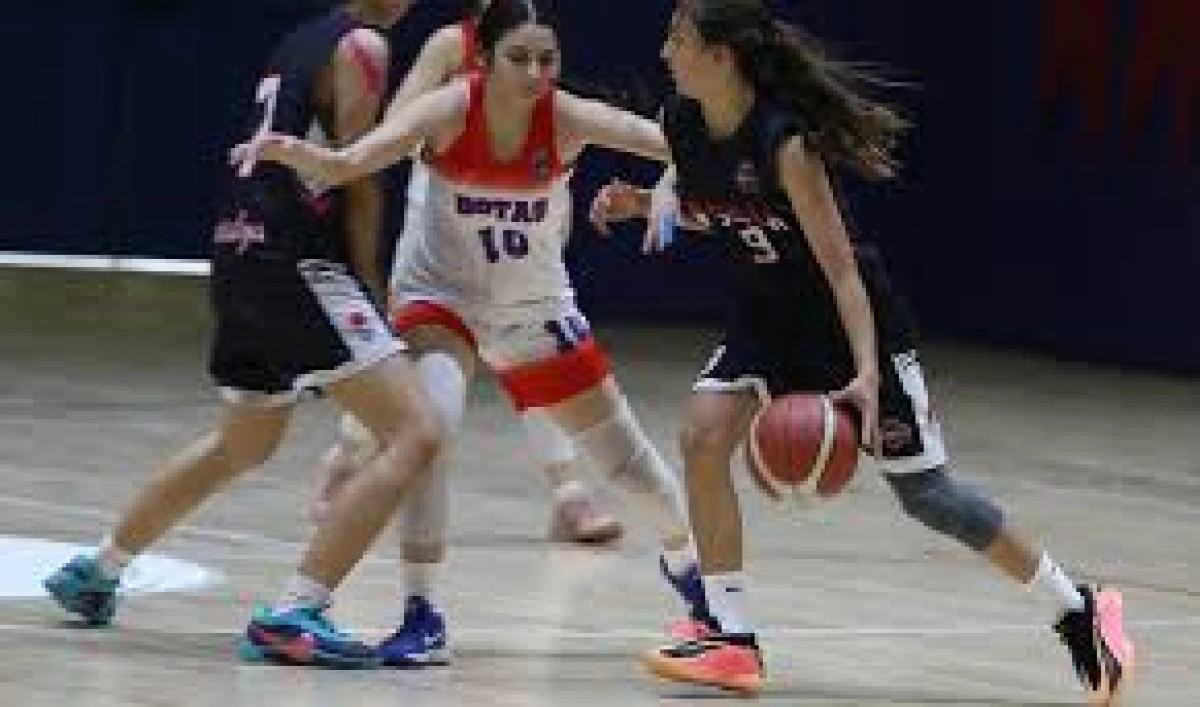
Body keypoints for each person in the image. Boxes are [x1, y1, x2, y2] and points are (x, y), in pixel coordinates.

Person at [589, 0, 1135, 701]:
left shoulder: (787, 143)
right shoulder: (683, 124)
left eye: (678, 39)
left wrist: (867, 375)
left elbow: (843, 271)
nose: (665, 53)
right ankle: (731, 636)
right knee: (702, 433)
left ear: (721, 57)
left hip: (848, 324)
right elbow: (734, 216)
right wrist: (645, 203)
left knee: (930, 497)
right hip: (769, 319)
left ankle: (1079, 608)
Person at [233, 0, 712, 668]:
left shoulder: (567, 116)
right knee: (431, 430)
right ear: (482, 59)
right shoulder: (449, 108)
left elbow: (689, 143)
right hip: (442, 299)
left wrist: (668, 186)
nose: (535, 73)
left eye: (547, 59)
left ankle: (697, 581)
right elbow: (360, 158)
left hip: (532, 307)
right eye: (519, 58)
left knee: (628, 467)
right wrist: (312, 158)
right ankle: (422, 613)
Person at [43, 0, 446, 669]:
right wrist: (372, 285)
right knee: (416, 432)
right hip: (297, 260)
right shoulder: (364, 47)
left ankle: (99, 569)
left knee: (243, 442)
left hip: (240, 251)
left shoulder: (302, 39)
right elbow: (357, 175)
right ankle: (296, 611)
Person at [311, 0, 624, 559]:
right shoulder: (449, 45)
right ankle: (347, 457)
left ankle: (569, 492)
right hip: (447, 218)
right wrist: (452, 122)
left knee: (535, 354)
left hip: (522, 216)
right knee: (406, 360)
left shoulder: (532, 42)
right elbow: (398, 124)